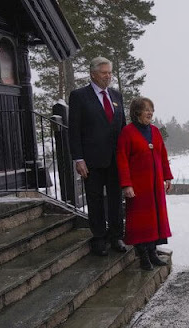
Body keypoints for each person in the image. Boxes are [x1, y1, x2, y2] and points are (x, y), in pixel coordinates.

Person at [68, 57, 127, 256]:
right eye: (104, 73)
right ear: (93, 74)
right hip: (91, 160)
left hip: (115, 159)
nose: (108, 76)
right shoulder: (79, 96)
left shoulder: (117, 95)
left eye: (110, 72)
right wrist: (78, 158)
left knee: (115, 199)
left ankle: (116, 235)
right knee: (95, 199)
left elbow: (123, 128)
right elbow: (74, 130)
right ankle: (99, 238)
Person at [116, 97, 173, 270]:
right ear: (136, 112)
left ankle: (153, 252)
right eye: (146, 109)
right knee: (141, 221)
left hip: (155, 185)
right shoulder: (128, 132)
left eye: (151, 110)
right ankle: (143, 255)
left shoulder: (155, 131)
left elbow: (162, 155)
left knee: (154, 219)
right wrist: (126, 184)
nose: (150, 113)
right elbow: (122, 159)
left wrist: (167, 177)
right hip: (138, 185)